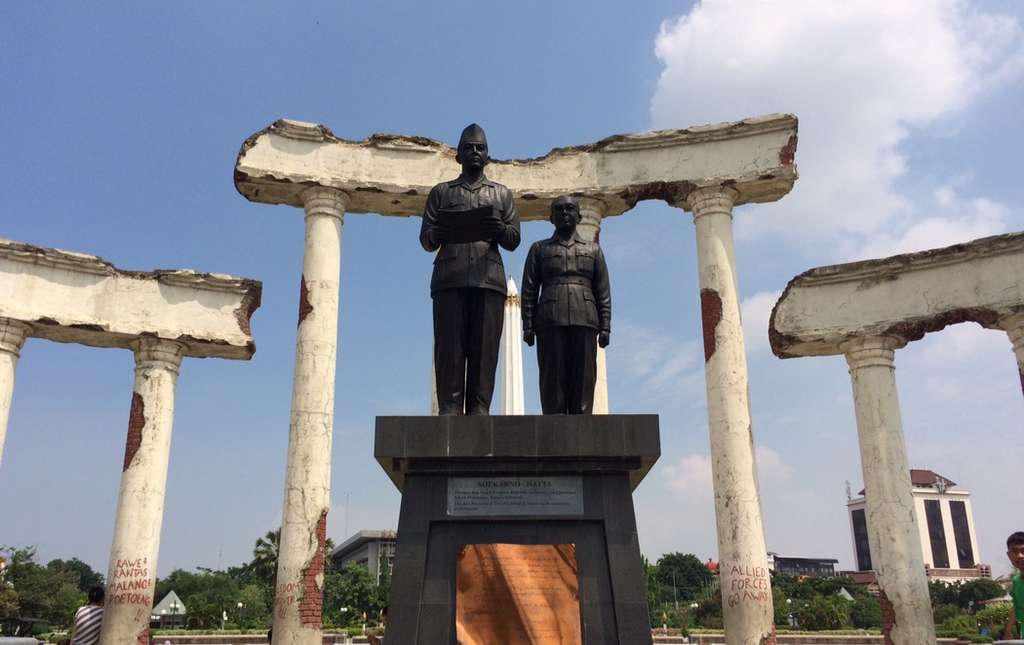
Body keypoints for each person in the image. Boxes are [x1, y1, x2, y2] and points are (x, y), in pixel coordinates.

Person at [419, 123, 520, 415]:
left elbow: (513, 240)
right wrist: (442, 231)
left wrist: (498, 228)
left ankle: (480, 408)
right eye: (468, 148)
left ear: (488, 156)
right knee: (449, 350)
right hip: (449, 278)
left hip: (488, 279)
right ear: (458, 156)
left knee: (485, 350)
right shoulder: (441, 193)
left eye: (480, 148)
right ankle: (449, 409)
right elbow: (426, 239)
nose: (475, 152)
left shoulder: (502, 194)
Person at [521, 195, 611, 414]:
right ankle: (554, 419)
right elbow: (530, 289)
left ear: (579, 216)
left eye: (569, 209)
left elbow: (603, 291)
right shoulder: (539, 249)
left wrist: (606, 325)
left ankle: (582, 423)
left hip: (585, 318)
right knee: (553, 376)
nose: (564, 213)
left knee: (584, 376)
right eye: (559, 210)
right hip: (550, 318)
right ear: (551, 218)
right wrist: (528, 325)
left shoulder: (594, 250)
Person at [1005, 531, 1024, 640]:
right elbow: (1016, 606)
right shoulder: (1016, 581)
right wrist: (1008, 631)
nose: (1020, 556)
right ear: (1009, 555)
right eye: (1015, 552)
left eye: (1023, 551)